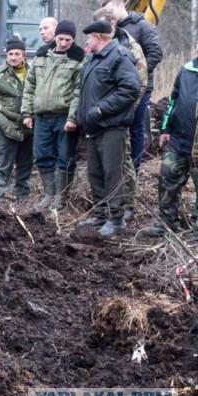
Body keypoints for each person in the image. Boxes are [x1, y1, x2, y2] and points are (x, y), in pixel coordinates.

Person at [77, 20, 140, 236]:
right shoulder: (93, 59)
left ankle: (116, 219)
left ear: (98, 37)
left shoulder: (119, 56)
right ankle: (100, 213)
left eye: (89, 37)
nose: (86, 40)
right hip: (93, 128)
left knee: (112, 173)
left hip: (112, 127)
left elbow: (131, 88)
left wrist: (102, 110)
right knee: (95, 172)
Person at [101, 0, 163, 203]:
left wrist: (134, 76)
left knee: (135, 130)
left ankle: (132, 173)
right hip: (113, 91)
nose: (108, 12)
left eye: (110, 7)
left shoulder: (143, 25)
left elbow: (155, 54)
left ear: (121, 4)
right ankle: (113, 175)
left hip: (139, 89)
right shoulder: (108, 28)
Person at [21, 20, 85, 211]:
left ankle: (60, 198)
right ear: (55, 37)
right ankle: (49, 194)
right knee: (42, 156)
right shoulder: (41, 57)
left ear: (73, 40)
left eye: (68, 39)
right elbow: (29, 87)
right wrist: (27, 113)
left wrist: (72, 118)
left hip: (63, 117)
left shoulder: (78, 61)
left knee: (65, 158)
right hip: (41, 117)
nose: (63, 43)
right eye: (60, 38)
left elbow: (78, 93)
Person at [93, 6, 148, 222]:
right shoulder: (100, 47)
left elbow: (140, 83)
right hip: (101, 115)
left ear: (112, 24)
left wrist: (122, 110)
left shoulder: (130, 46)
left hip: (121, 113)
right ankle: (106, 202)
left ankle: (129, 204)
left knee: (123, 159)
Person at [142, 55, 198, 237]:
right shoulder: (188, 69)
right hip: (179, 138)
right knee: (167, 177)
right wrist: (165, 128)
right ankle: (168, 223)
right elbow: (173, 99)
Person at [0, 38, 33, 203]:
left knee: (25, 165)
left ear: (24, 56)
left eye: (17, 54)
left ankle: (22, 198)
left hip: (29, 127)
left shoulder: (33, 73)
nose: (13, 57)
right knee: (3, 165)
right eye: (10, 54)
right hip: (6, 127)